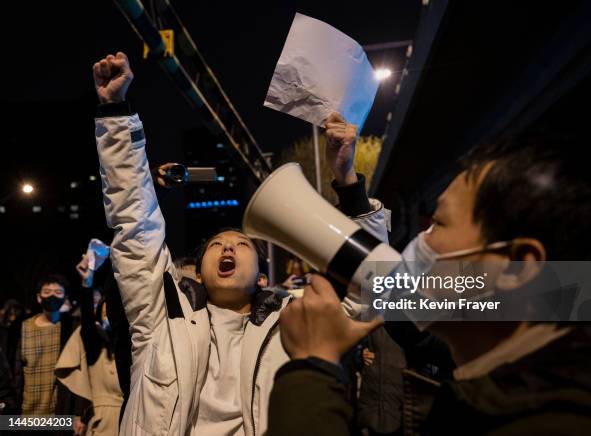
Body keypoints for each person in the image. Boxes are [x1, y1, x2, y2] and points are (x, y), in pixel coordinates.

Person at [92, 51, 389, 435]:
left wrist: (348, 181)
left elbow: (370, 288)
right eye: (216, 245)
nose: (228, 248)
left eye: (241, 245)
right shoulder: (159, 319)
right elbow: (135, 223)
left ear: (263, 278)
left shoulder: (294, 324)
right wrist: (116, 113)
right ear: (197, 273)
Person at [268, 138, 591, 435]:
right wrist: (349, 188)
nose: (420, 240)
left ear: (516, 267)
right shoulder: (523, 374)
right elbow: (397, 298)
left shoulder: (555, 426)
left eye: (438, 224)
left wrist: (313, 366)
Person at [54, 256, 123, 436]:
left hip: (130, 417)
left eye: (114, 311)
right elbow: (87, 322)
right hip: (102, 422)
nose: (109, 314)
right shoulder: (94, 343)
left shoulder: (127, 343)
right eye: (105, 309)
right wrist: (87, 282)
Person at [15, 274, 87, 429]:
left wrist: (78, 413)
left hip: (59, 418)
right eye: (47, 292)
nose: (52, 296)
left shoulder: (71, 329)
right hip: (25, 417)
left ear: (65, 297)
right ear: (39, 297)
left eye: (58, 292)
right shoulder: (22, 328)